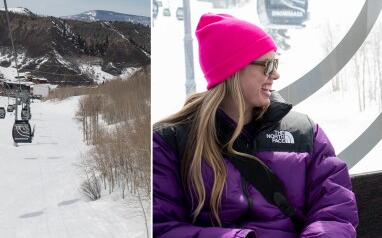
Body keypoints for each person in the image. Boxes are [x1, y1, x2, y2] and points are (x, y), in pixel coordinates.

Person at [152, 13, 358, 237]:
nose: (276, 74)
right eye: (268, 65)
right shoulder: (169, 142)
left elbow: (335, 213)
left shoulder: (304, 133)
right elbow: (161, 227)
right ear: (233, 69)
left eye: (276, 64)